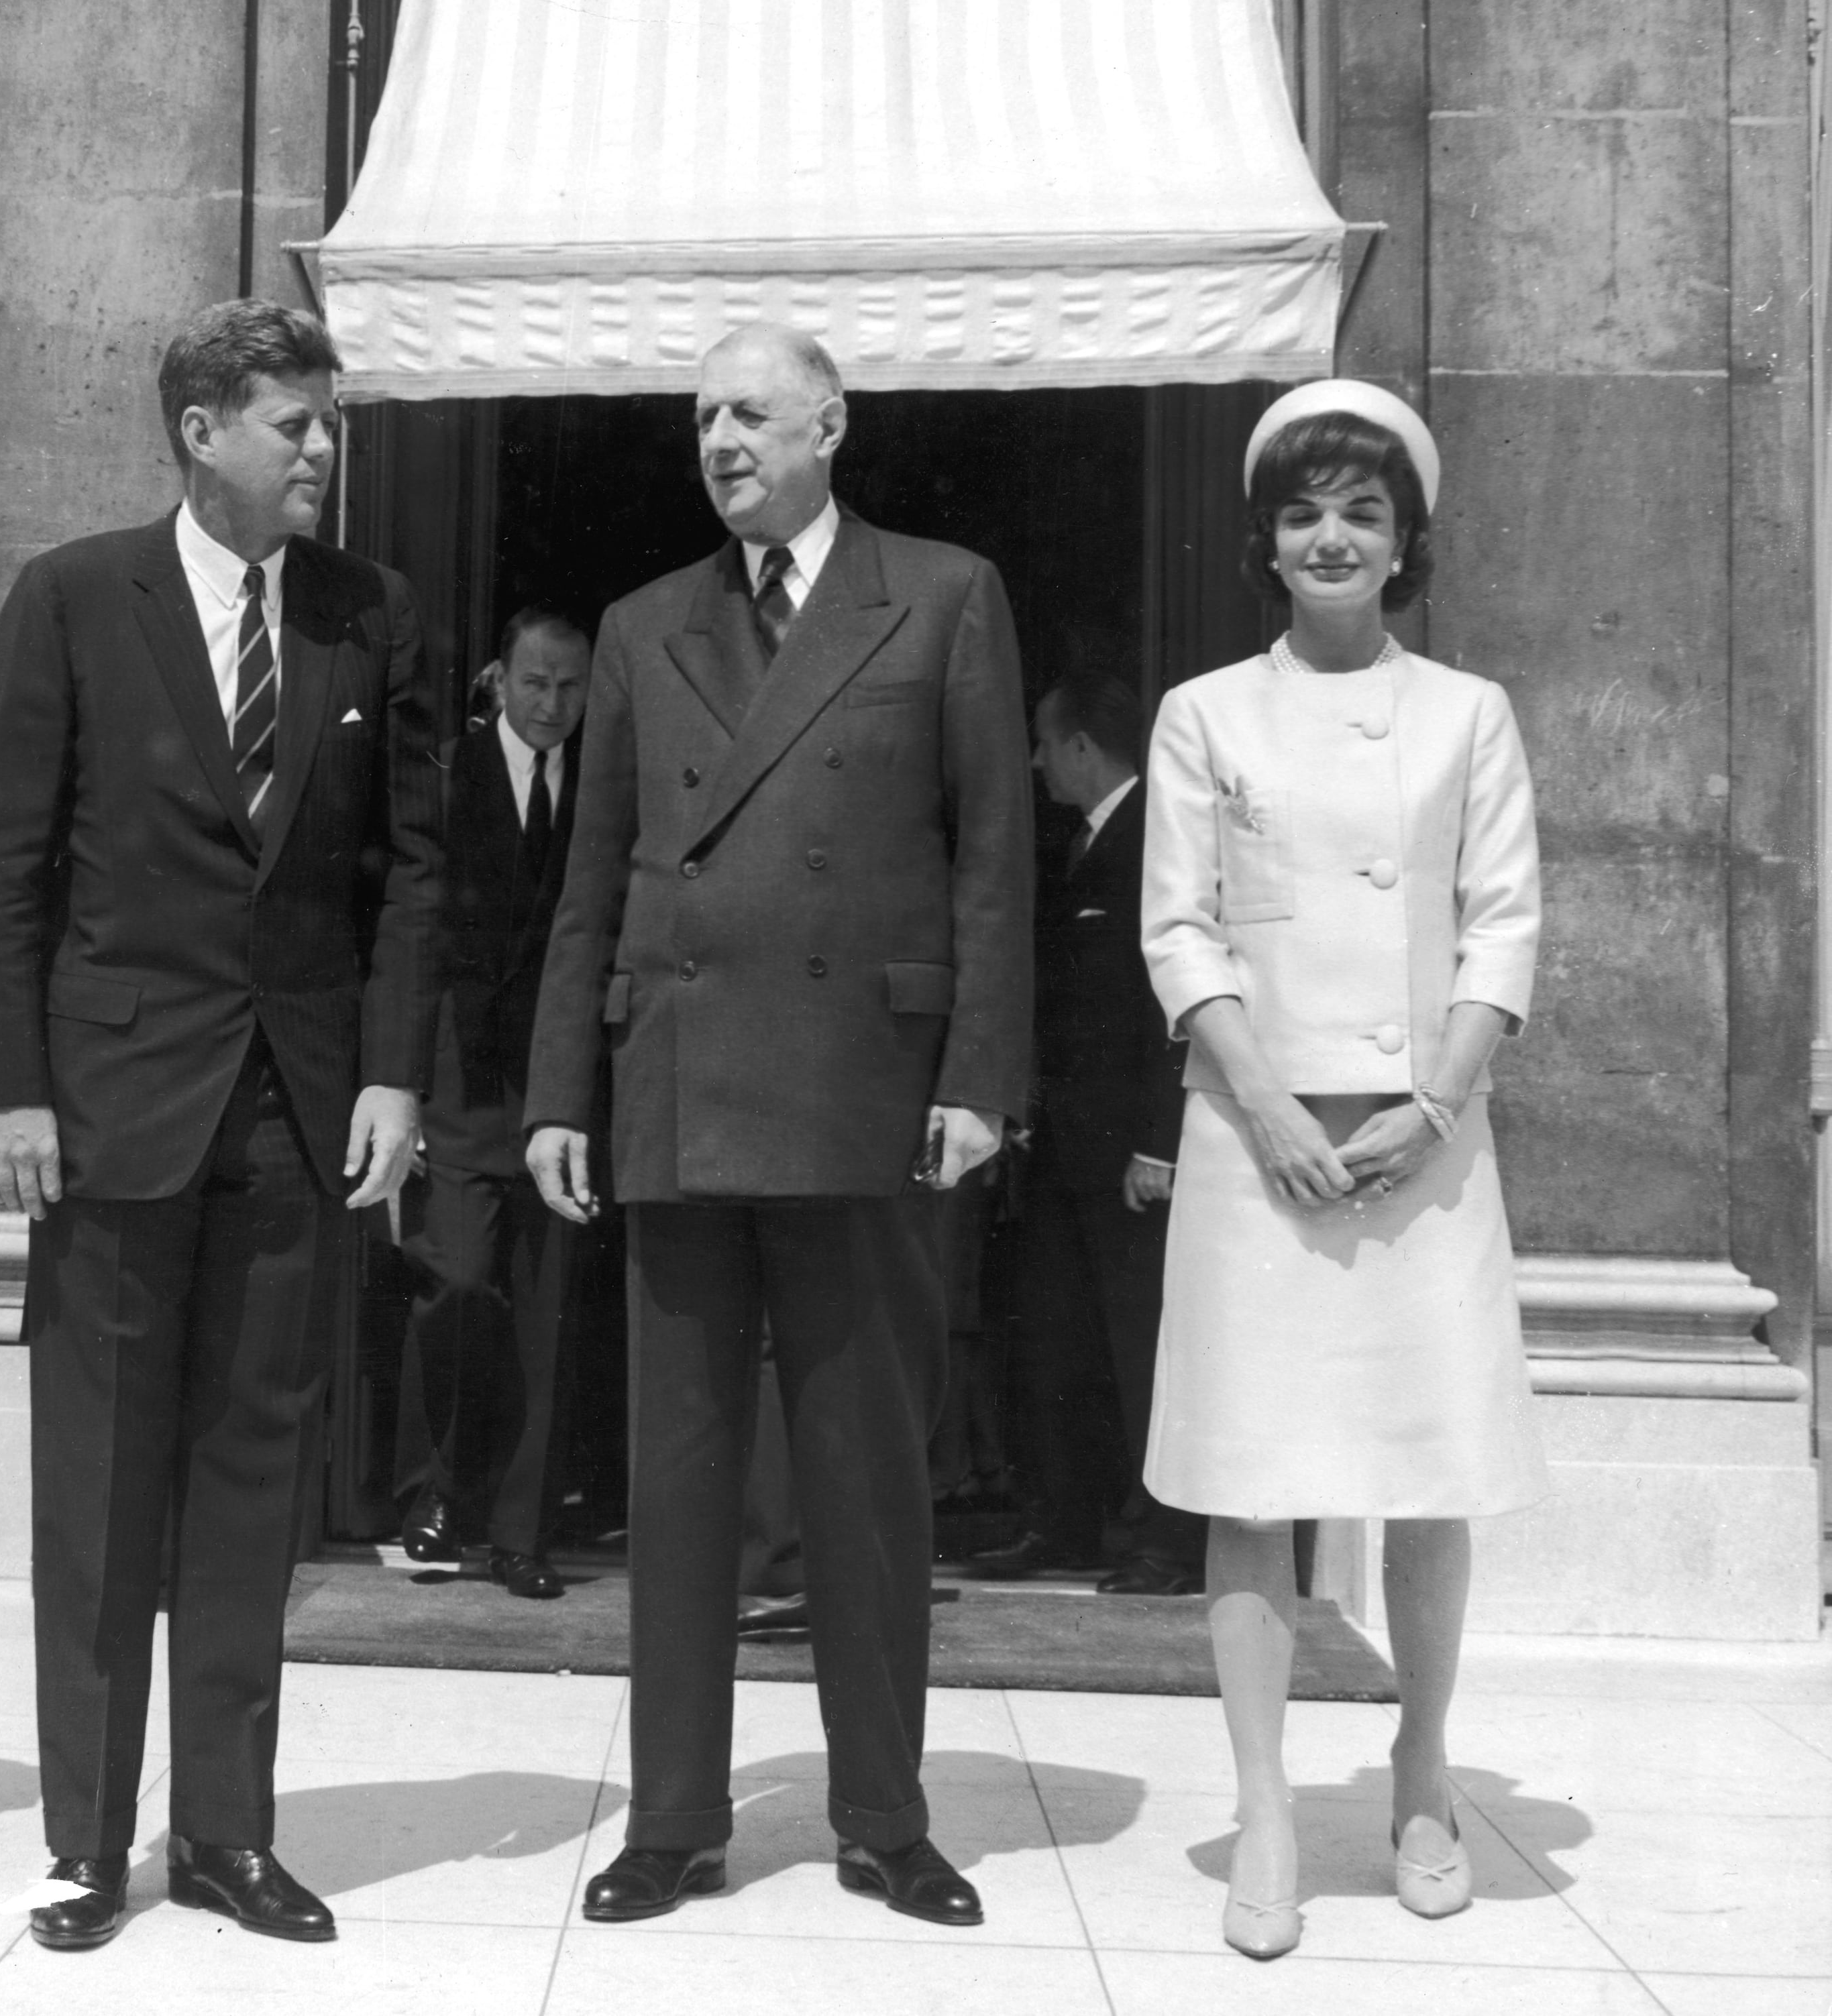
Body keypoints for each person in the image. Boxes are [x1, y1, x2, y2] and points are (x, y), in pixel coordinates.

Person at [525, 323, 1032, 1929]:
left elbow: (993, 862)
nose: (719, 440)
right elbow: (588, 879)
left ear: (832, 424)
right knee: (677, 1478)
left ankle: (885, 1815)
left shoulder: (944, 595)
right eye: (700, 419)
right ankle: (674, 1820)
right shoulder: (639, 625)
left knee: (866, 1474)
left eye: (750, 412)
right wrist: (557, 1092)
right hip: (676, 1080)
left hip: (863, 1094)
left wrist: (978, 1077)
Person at [0, 298, 439, 1952]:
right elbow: (1, 865)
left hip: (295, 1120)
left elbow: (414, 874)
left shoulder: (373, 616)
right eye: (292, 423)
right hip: (104, 1119)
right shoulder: (75, 599)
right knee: (96, 1494)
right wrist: (7, 1084)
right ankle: (85, 1844)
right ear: (200, 432)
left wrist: (389, 1072)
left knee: (249, 1490)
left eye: (327, 421)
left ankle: (228, 1835)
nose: (323, 448)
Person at [1138, 380, 1546, 1960]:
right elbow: (1181, 926)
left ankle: (1424, 1765)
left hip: (1422, 1146)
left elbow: (1502, 918)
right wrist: (1269, 1104)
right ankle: (1264, 1804)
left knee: (1428, 1471)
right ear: (1269, 538)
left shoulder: (1468, 714)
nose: (1331, 537)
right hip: (1258, 1142)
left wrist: (1432, 1102)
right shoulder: (1204, 715)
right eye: (1306, 510)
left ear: (1404, 545)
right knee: (1253, 1481)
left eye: (1362, 514)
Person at [965, 673, 1202, 1596]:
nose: (1032, 761)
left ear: (1079, 748)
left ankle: (1170, 1541)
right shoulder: (1084, 843)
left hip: (1132, 1158)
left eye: (1041, 743)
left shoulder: (1155, 840)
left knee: (1144, 1348)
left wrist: (1162, 1140)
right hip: (1070, 1151)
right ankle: (1069, 1522)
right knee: (1063, 1342)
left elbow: (1171, 1005)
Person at [397, 604, 592, 1600]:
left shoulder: (605, 791)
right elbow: (404, 940)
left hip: (559, 1092)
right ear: (497, 680)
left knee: (546, 1315)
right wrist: (403, 1089)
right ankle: (440, 1490)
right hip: (459, 1084)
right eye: (535, 683)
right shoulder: (438, 779)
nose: (552, 704)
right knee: (461, 1284)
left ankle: (522, 1532)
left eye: (569, 686)